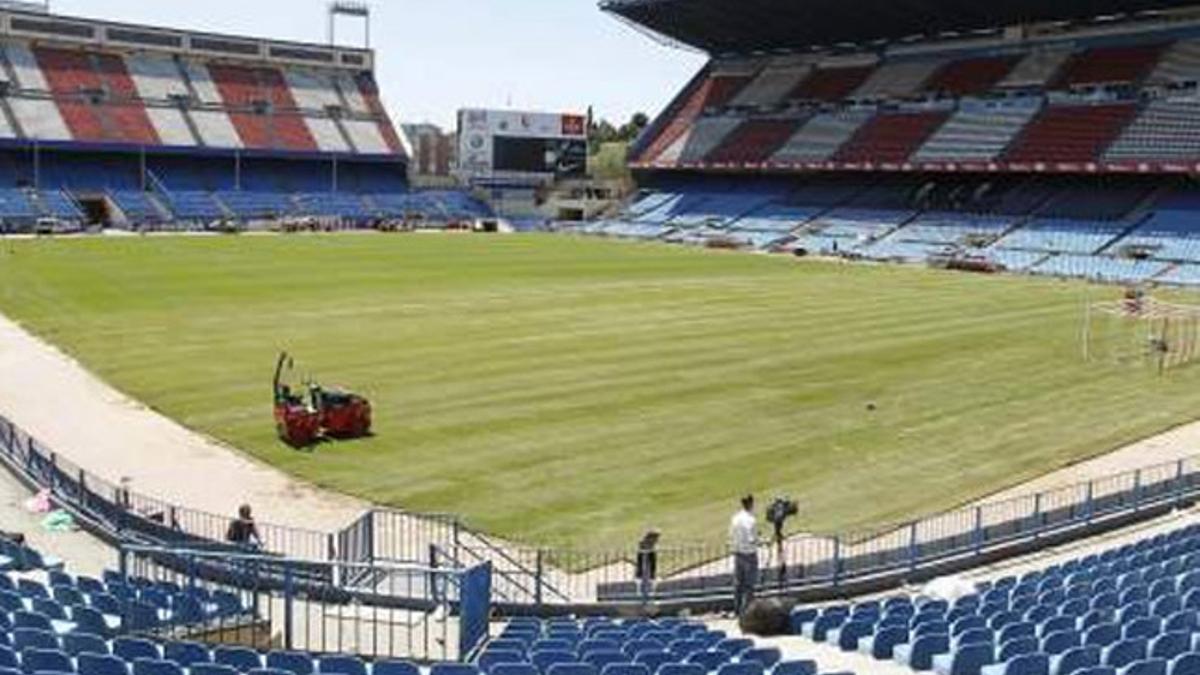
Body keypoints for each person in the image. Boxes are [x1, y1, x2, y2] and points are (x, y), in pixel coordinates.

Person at [730, 494, 759, 616]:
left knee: (738, 584)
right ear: (751, 504)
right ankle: (748, 611)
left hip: (738, 554)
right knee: (749, 585)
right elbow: (751, 538)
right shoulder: (751, 520)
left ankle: (737, 609)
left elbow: (731, 535)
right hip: (749, 554)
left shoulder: (735, 518)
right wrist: (760, 540)